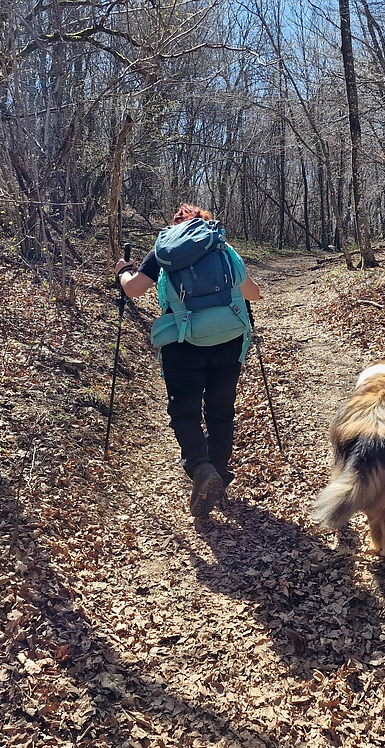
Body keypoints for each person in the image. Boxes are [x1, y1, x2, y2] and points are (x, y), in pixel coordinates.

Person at [114, 204, 261, 517]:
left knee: (185, 411)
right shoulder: (223, 248)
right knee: (221, 411)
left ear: (175, 227)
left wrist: (123, 271)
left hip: (183, 343)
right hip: (229, 339)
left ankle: (200, 467)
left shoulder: (164, 252)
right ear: (206, 224)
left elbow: (134, 290)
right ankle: (217, 472)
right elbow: (253, 294)